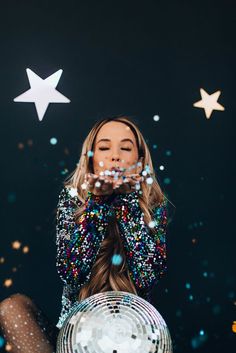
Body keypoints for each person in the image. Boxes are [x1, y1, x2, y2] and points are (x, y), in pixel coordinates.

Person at [0, 115, 169, 352]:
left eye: (126, 148)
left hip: (131, 337)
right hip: (73, 337)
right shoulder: (71, 200)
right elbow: (71, 274)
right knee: (12, 307)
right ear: (90, 160)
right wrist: (97, 204)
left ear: (139, 163)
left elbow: (147, 277)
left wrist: (127, 202)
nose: (115, 155)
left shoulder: (152, 206)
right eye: (104, 147)